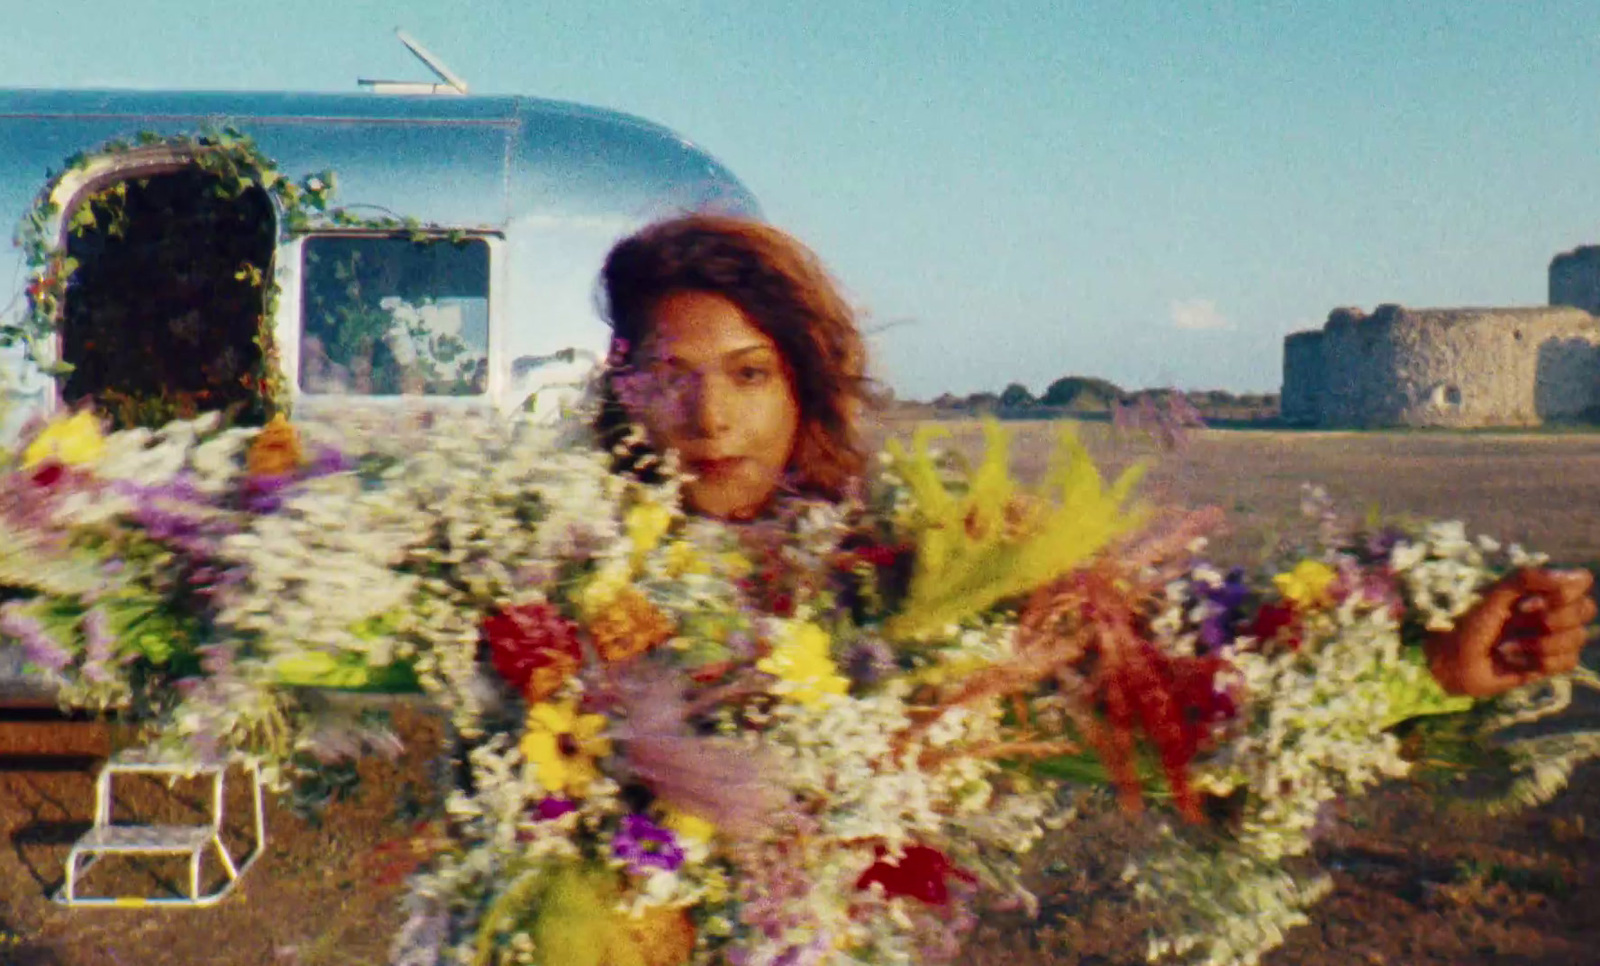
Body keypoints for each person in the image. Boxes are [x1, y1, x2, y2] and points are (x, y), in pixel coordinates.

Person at [594, 212, 1596, 699]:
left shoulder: (910, 562)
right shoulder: (533, 564)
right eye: (671, 376)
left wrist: (1426, 664)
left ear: (805, 383)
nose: (710, 421)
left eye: (749, 375)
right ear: (622, 383)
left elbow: (1175, 651)